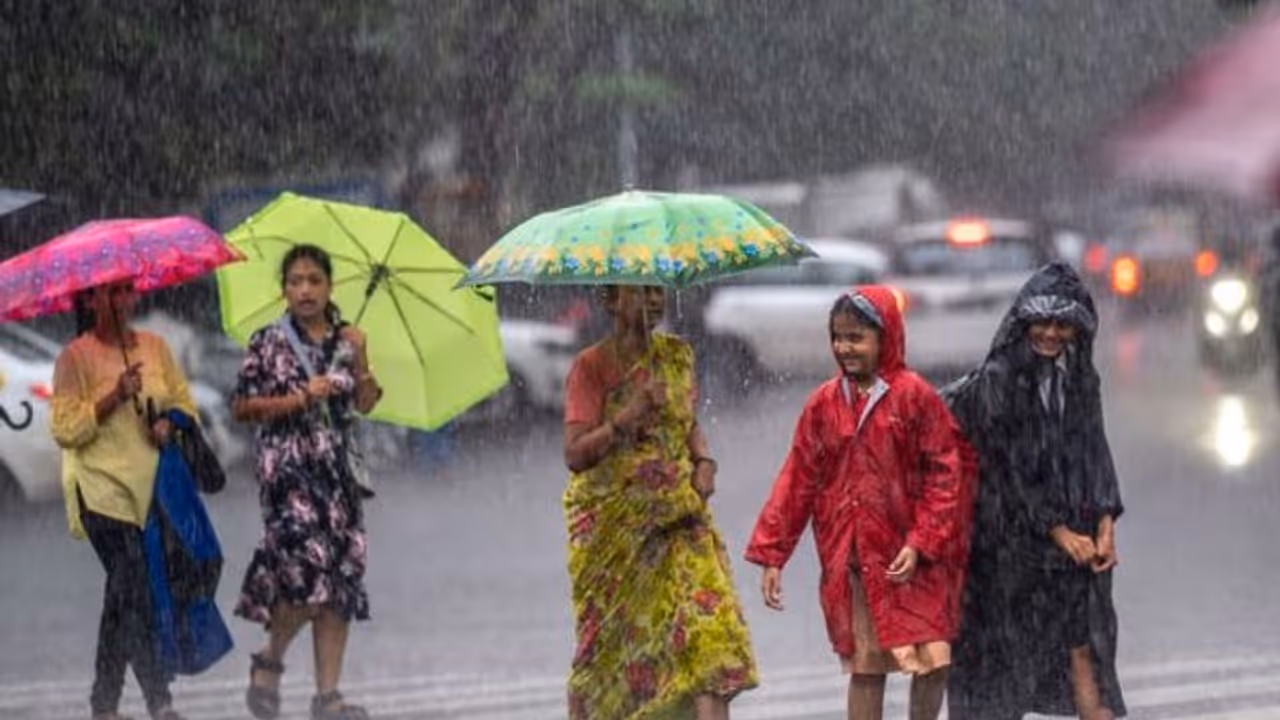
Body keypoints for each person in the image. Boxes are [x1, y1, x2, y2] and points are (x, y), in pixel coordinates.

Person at [745, 287, 973, 720]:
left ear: (885, 338)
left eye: (856, 338)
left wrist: (922, 540)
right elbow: (797, 480)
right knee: (866, 667)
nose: (844, 348)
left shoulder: (914, 396)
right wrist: (773, 553)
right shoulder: (824, 405)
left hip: (915, 558)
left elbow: (945, 475)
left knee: (933, 658)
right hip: (858, 561)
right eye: (838, 337)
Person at [561, 284, 758, 719]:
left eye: (658, 291)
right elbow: (575, 454)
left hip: (680, 519)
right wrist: (624, 419)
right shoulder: (591, 367)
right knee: (611, 655)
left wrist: (704, 460)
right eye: (640, 292)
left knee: (711, 638)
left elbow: (687, 423)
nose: (653, 300)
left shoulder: (677, 356)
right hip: (616, 533)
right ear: (611, 301)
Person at [943, 261, 1126, 720]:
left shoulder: (1082, 376)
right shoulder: (1001, 379)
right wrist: (1057, 531)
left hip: (1071, 546)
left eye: (1061, 323)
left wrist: (1105, 523)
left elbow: (1094, 450)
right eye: (1040, 322)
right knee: (1006, 666)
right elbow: (1010, 469)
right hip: (1008, 549)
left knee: (1084, 651)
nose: (1049, 333)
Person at [232, 244, 382, 720]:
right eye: (296, 281)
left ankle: (328, 696)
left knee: (338, 583)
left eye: (314, 280)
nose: (305, 290)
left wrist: (361, 359)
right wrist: (299, 398)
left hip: (337, 476)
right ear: (284, 289)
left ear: (329, 286)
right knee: (304, 575)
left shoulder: (347, 338)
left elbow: (366, 403)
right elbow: (242, 407)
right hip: (288, 473)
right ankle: (270, 660)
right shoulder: (267, 341)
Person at [51, 279, 197, 720]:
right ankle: (159, 701)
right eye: (107, 293)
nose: (118, 301)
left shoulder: (154, 347)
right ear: (90, 299)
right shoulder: (73, 358)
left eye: (124, 291)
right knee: (132, 587)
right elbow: (65, 430)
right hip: (99, 492)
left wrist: (168, 425)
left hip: (149, 491)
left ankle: (104, 706)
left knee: (124, 598)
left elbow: (185, 405)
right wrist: (113, 395)